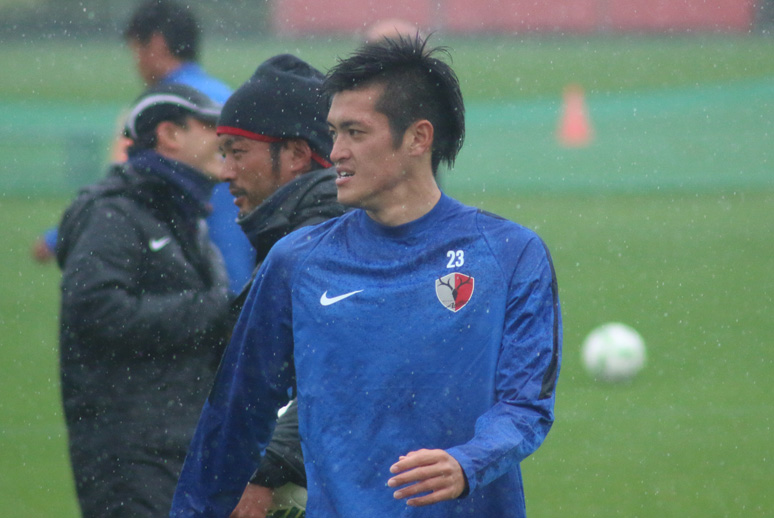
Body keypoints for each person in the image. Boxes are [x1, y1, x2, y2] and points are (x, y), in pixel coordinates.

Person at [171, 35, 561, 517]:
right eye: (334, 132)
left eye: (355, 132)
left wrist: (469, 462)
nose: (336, 151)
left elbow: (525, 407)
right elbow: (233, 415)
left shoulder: (509, 254)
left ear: (418, 138)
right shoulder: (297, 261)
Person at [57, 83, 233, 518]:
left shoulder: (182, 212)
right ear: (169, 134)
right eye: (210, 125)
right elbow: (95, 312)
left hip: (181, 445)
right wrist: (215, 310)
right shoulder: (114, 213)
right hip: (129, 456)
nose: (225, 137)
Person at [35, 0, 255, 295]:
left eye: (136, 49)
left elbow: (126, 186)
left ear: (156, 44)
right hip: (245, 262)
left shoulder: (161, 108)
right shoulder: (229, 99)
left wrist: (56, 238)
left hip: (194, 271)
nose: (136, 63)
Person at [214, 54, 347, 517]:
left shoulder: (324, 241)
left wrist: (265, 471)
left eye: (237, 152)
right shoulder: (289, 234)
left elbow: (339, 372)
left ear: (295, 155)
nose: (224, 171)